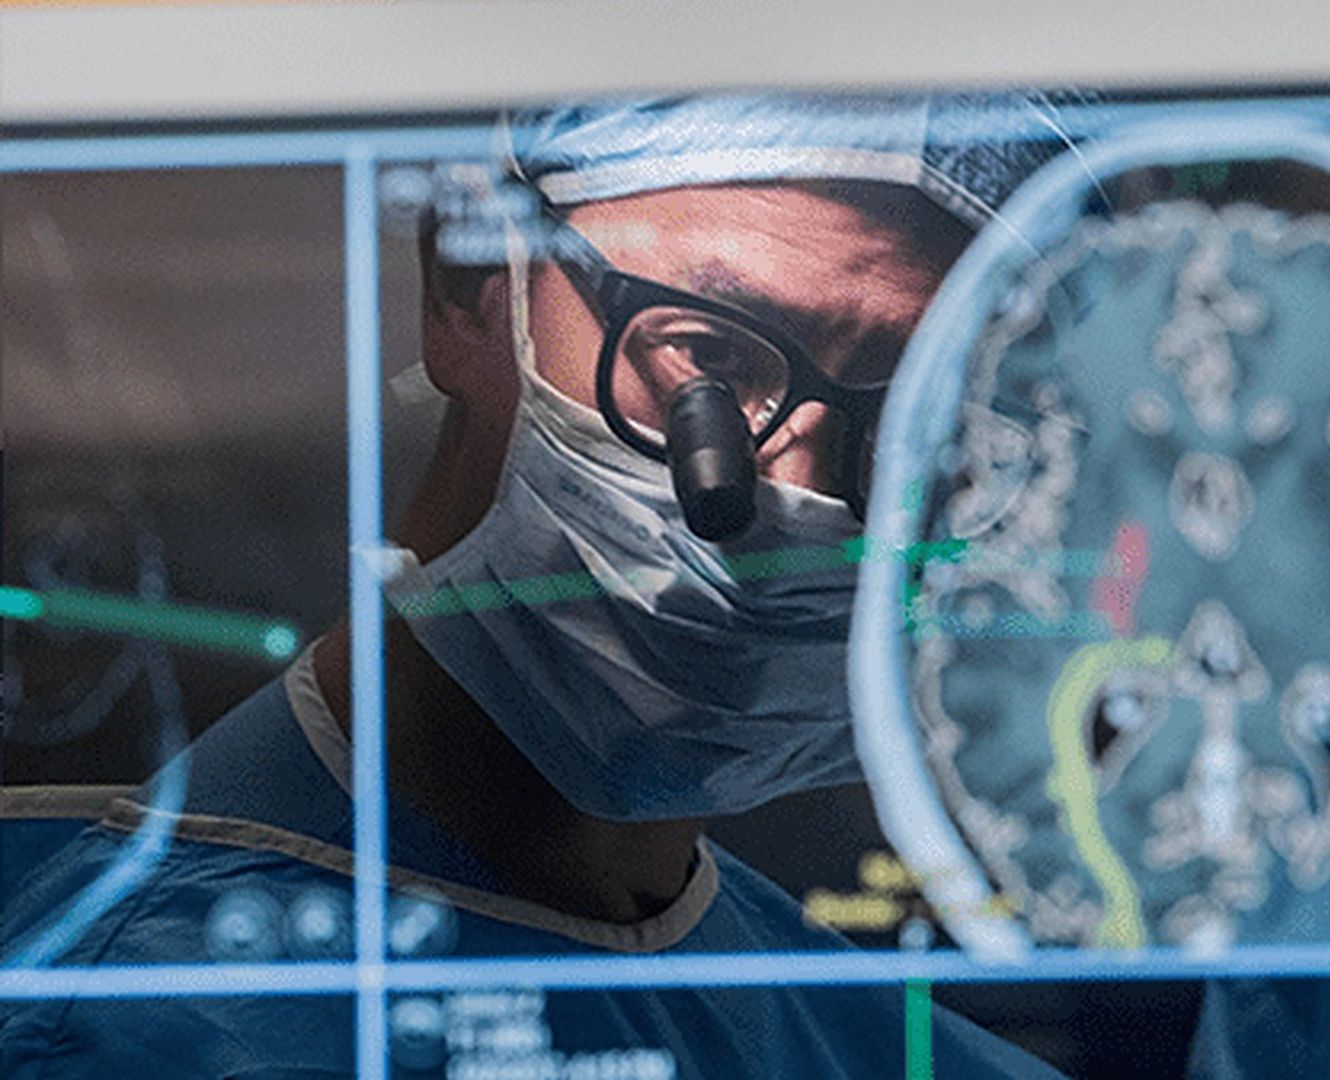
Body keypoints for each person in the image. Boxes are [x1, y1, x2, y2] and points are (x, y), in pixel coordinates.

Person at [0, 93, 1082, 1079]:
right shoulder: (119, 1022)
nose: (796, 496)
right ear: (471, 290)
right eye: (709, 359)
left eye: (917, 418)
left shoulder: (894, 1053)